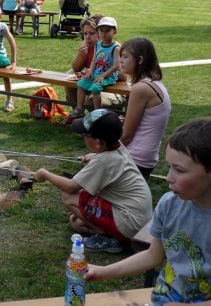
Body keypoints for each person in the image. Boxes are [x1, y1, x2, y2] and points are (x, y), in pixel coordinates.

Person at [85, 118, 211, 305]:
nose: (169, 178)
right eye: (169, 168)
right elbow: (153, 255)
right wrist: (104, 272)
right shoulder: (169, 204)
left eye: (179, 170)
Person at [34, 109, 152, 253]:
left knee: (69, 197)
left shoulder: (103, 161)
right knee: (77, 224)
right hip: (138, 218)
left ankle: (108, 238)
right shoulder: (117, 146)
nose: (83, 137)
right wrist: (94, 155)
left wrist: (44, 174)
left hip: (129, 223)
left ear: (98, 142)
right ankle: (106, 230)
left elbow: (71, 187)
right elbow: (106, 157)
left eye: (85, 134)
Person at [119, 38, 171, 181]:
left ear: (140, 59)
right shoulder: (155, 83)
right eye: (120, 57)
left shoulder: (141, 88)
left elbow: (127, 135)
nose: (121, 61)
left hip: (135, 159)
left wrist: (103, 154)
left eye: (125, 57)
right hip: (147, 157)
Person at [64, 16, 121, 123]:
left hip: (112, 85)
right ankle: (78, 111)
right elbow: (76, 67)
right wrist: (82, 58)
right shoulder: (92, 46)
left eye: (91, 33)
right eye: (85, 34)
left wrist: (102, 75)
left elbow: (123, 74)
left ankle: (98, 118)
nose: (87, 37)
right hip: (96, 77)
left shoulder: (116, 47)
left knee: (91, 97)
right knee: (75, 80)